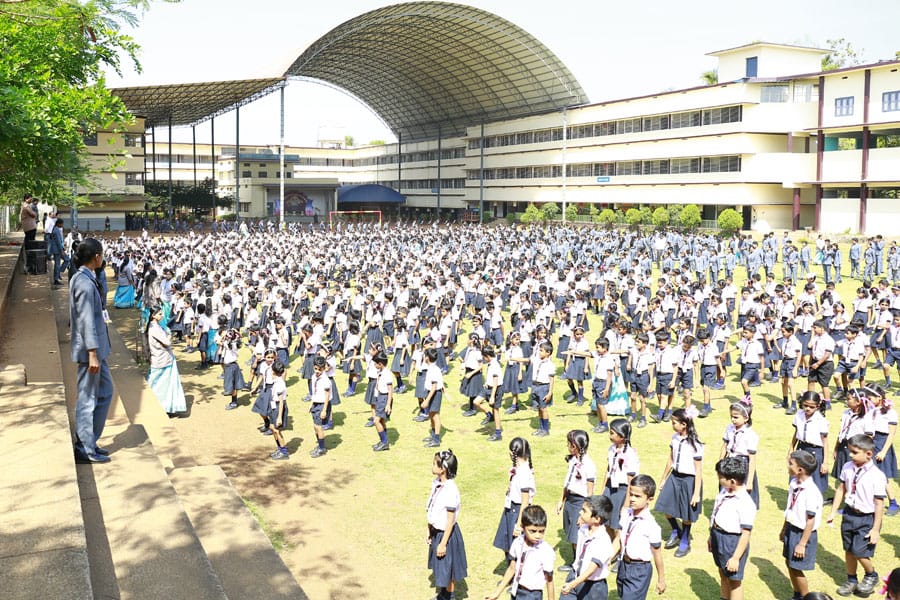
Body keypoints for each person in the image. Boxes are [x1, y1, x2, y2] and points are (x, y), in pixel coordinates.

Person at [69, 237, 112, 463]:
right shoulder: (84, 283)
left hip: (98, 350)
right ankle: (84, 448)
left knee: (105, 393)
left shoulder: (85, 278)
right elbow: (86, 320)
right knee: (87, 398)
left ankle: (90, 439)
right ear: (96, 256)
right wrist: (93, 353)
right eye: (101, 254)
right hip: (90, 352)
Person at [827, 434, 887, 598]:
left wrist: (875, 529)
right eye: (850, 451)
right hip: (849, 513)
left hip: (867, 518)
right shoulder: (847, 467)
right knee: (849, 549)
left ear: (868, 454)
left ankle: (871, 574)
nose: (851, 455)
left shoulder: (877, 476)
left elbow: (879, 503)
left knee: (860, 551)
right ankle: (851, 579)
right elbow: (841, 489)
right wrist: (833, 511)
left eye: (854, 452)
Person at [655, 406, 703, 558]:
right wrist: (663, 479)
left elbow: (699, 471)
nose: (672, 425)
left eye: (675, 423)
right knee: (666, 507)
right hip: (674, 477)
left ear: (684, 424)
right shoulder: (675, 439)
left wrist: (696, 493)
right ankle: (676, 530)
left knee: (686, 514)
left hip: (689, 480)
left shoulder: (695, 444)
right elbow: (670, 459)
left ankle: (685, 540)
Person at [709, 457, 756, 600]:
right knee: (723, 573)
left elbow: (746, 534)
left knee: (734, 580)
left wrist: (736, 558)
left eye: (721, 478)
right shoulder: (725, 491)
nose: (719, 480)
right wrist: (711, 536)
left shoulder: (745, 503)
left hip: (732, 542)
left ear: (732, 481)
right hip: (718, 535)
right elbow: (716, 513)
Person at [486, 504, 556, 600]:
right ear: (523, 527)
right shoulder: (517, 543)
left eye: (541, 531)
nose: (537, 535)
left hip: (532, 595)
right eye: (533, 531)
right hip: (516, 589)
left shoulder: (546, 551)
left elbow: (549, 580)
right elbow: (512, 568)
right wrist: (497, 592)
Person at [613, 474, 666, 600]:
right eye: (631, 494)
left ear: (649, 499)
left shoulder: (651, 526)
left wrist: (661, 579)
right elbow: (618, 539)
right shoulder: (626, 514)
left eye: (637, 496)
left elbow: (657, 554)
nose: (632, 499)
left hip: (639, 569)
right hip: (623, 564)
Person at [780, 450, 823, 600]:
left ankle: (806, 597)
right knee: (789, 562)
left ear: (800, 470)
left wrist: (802, 544)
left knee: (797, 567)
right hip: (792, 529)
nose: (788, 465)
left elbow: (810, 520)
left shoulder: (811, 492)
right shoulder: (794, 483)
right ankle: (797, 594)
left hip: (803, 534)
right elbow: (790, 508)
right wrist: (784, 528)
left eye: (790, 464)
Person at [427, 449, 468, 600]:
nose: (431, 465)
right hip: (437, 531)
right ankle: (443, 594)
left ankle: (450, 596)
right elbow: (431, 507)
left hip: (447, 535)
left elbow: (450, 520)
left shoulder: (450, 490)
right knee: (441, 566)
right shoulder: (437, 483)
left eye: (434, 463)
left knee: (448, 568)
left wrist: (443, 543)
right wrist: (429, 530)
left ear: (442, 468)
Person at [558, 496, 613, 600]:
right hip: (575, 575)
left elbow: (591, 570)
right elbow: (581, 522)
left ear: (597, 519)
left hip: (592, 587)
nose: (580, 512)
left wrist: (572, 585)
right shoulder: (584, 529)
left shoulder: (603, 541)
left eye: (584, 511)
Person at [557, 429, 596, 572]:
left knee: (577, 534)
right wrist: (561, 500)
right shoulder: (573, 461)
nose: (568, 446)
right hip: (570, 499)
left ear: (576, 445)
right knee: (570, 531)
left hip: (581, 501)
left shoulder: (589, 464)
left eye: (570, 443)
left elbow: (590, 491)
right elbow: (567, 482)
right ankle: (575, 561)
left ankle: (579, 563)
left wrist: (585, 510)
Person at [491, 437, 536, 560]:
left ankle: (516, 574)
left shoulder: (524, 473)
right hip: (510, 508)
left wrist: (519, 523)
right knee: (507, 543)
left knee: (516, 546)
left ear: (512, 452)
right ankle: (509, 572)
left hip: (518, 511)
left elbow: (525, 501)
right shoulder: (519, 469)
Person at [145, 306, 186, 416]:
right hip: (162, 360)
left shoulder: (156, 326)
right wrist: (169, 336)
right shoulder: (154, 328)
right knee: (161, 385)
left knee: (162, 384)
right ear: (153, 316)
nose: (162, 315)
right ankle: (161, 406)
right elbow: (167, 342)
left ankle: (164, 406)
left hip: (162, 359)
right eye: (159, 314)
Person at [600, 418, 639, 532]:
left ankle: (619, 547)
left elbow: (631, 480)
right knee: (605, 520)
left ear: (621, 436)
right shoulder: (611, 449)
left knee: (617, 524)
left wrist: (626, 504)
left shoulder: (630, 454)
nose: (609, 435)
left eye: (612, 433)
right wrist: (603, 490)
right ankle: (612, 546)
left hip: (622, 491)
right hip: (610, 487)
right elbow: (608, 470)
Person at [789, 391, 831, 496]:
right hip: (801, 448)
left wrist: (825, 462)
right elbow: (796, 433)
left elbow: (825, 442)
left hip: (815, 451)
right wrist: (791, 449)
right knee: (797, 475)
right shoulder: (799, 415)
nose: (808, 409)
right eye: (805, 405)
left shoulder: (821, 420)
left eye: (812, 407)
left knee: (814, 479)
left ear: (817, 406)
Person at [721, 401, 760, 509]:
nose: (733, 419)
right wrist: (721, 462)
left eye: (736, 417)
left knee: (742, 497)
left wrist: (750, 481)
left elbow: (752, 459)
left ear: (746, 418)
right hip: (729, 462)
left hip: (742, 465)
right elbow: (724, 446)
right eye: (731, 417)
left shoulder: (750, 435)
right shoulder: (729, 428)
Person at [308, 356, 331, 458]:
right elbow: (315, 392)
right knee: (315, 426)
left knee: (318, 426)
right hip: (316, 403)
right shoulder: (314, 377)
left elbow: (327, 396)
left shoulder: (326, 380)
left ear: (323, 368)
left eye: (319, 369)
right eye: (315, 368)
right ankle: (319, 445)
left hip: (322, 404)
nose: (317, 371)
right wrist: (311, 404)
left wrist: (324, 410)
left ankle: (322, 448)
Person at [267, 360, 289, 460]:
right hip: (273, 406)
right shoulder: (277, 381)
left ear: (273, 372)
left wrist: (279, 417)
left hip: (278, 407)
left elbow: (281, 402)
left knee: (277, 430)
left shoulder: (280, 384)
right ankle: (279, 448)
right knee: (272, 428)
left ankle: (284, 452)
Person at [47, 218, 68, 286]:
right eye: (62, 224)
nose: (62, 225)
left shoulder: (56, 229)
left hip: (57, 249)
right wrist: (62, 250)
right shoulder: (56, 230)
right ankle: (56, 278)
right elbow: (58, 242)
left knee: (63, 261)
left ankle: (58, 274)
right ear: (59, 223)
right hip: (57, 250)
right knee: (60, 263)